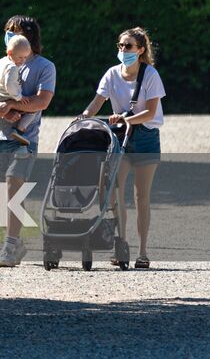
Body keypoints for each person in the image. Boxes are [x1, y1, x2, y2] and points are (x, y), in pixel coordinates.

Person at [76, 26, 165, 269]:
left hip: (145, 136)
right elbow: (96, 102)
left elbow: (151, 111)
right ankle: (121, 244)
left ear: (141, 50)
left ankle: (143, 251)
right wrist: (84, 116)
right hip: (119, 137)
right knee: (114, 191)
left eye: (128, 46)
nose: (123, 50)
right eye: (121, 46)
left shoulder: (150, 75)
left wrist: (126, 119)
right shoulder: (112, 74)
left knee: (141, 196)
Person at [0, 15, 56, 267]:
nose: (9, 35)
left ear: (29, 37)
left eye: (15, 31)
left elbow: (42, 101)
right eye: (8, 31)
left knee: (13, 186)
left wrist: (11, 104)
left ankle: (9, 246)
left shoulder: (44, 66)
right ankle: (16, 242)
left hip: (23, 138)